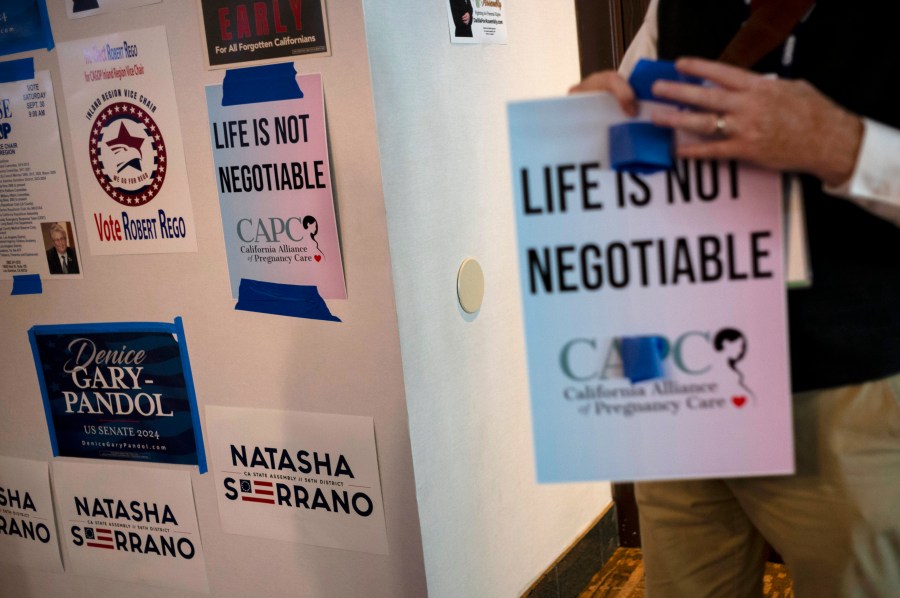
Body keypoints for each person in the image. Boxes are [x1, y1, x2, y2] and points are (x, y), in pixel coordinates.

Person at [571, 1, 900, 596]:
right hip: (684, 378)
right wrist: (593, 124)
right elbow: (626, 134)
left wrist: (845, 145)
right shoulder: (673, 7)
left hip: (853, 389)